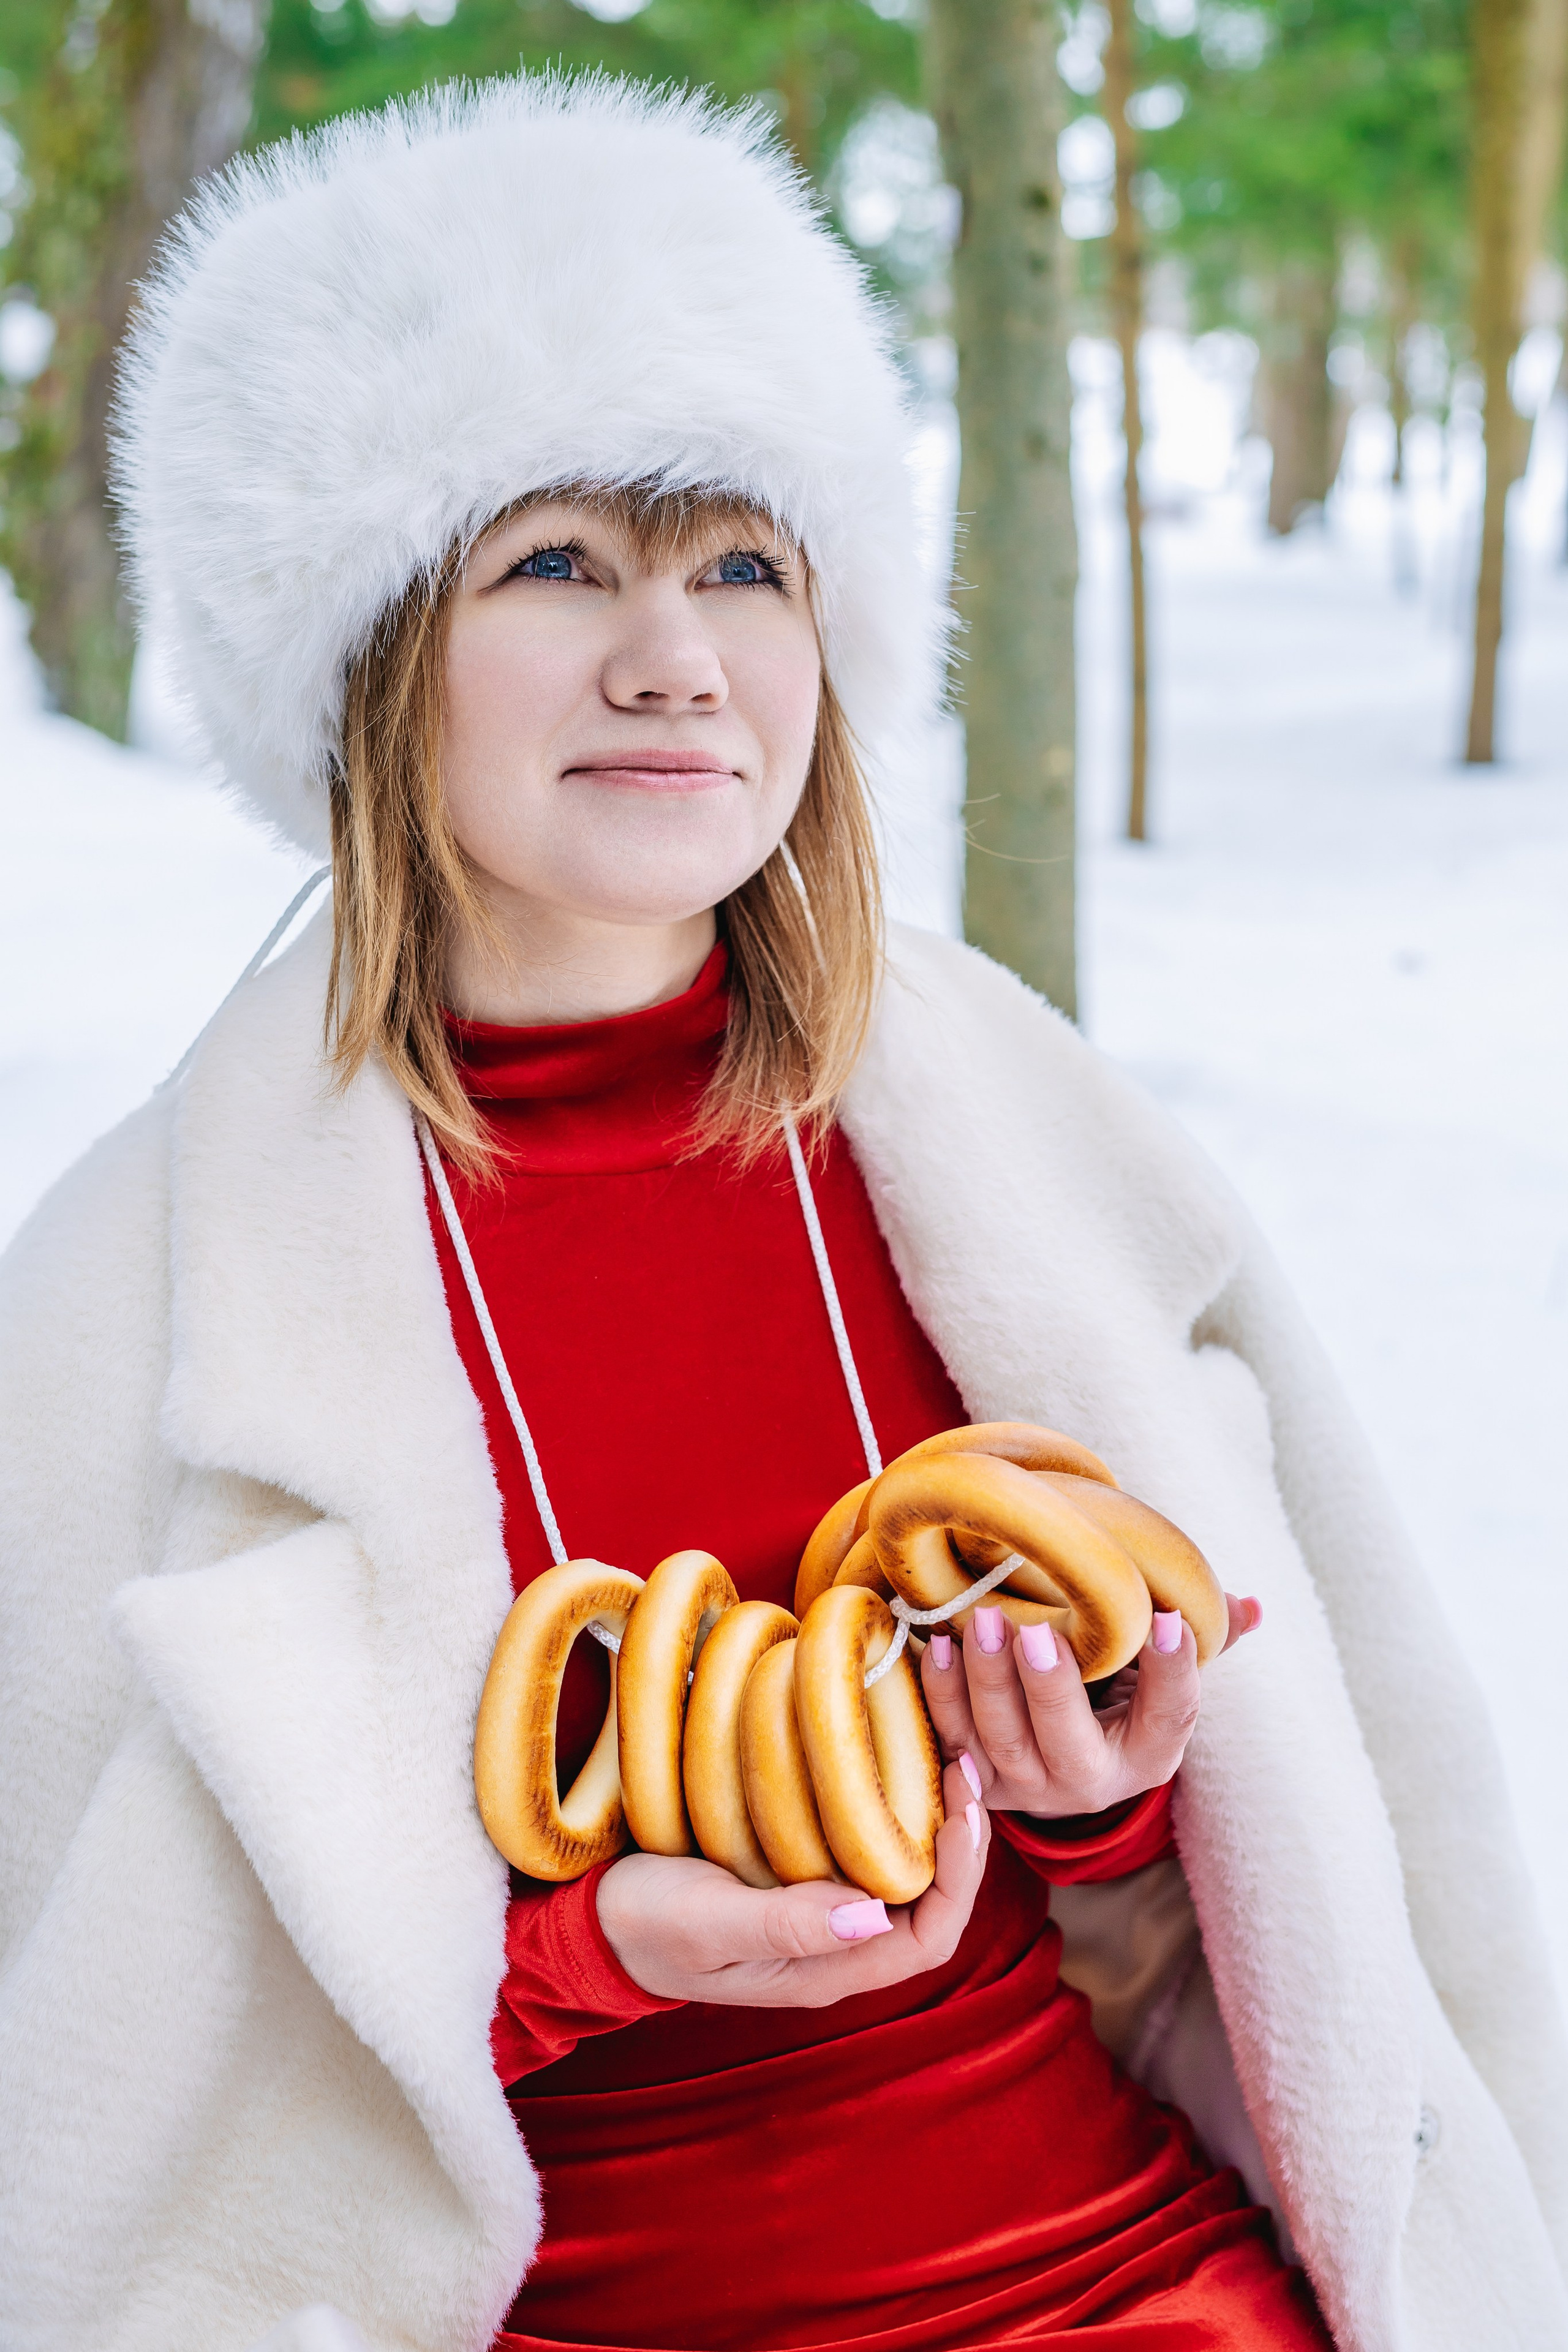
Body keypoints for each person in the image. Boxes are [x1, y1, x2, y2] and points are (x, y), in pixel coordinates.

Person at [0, 73, 1563, 2352]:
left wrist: (1103, 1796)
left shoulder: (1016, 1138)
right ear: (364, 651)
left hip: (1123, 2272)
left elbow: (1292, 1882)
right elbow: (112, 2085)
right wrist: (572, 1959)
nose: (678, 659)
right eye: (558, 564)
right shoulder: (125, 1304)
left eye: (744, 564)